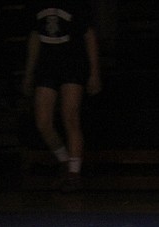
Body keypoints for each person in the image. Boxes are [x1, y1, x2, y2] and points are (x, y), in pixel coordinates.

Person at [22, 2, 102, 192]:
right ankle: (65, 162)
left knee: (70, 117)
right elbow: (35, 35)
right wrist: (29, 73)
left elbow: (88, 35)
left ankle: (74, 175)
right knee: (42, 121)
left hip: (72, 63)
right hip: (47, 66)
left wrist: (94, 72)